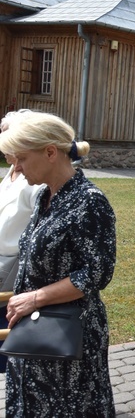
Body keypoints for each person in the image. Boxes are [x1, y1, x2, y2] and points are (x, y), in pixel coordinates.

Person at [0, 112, 117, 416]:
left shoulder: (89, 201)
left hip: (68, 338)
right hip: (35, 332)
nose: (16, 167)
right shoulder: (44, 198)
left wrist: (35, 298)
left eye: (22, 158)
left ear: (50, 152)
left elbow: (95, 273)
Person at [0, 110, 42, 373]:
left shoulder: (33, 180)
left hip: (12, 265)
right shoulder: (11, 172)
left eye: (8, 142)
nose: (4, 149)